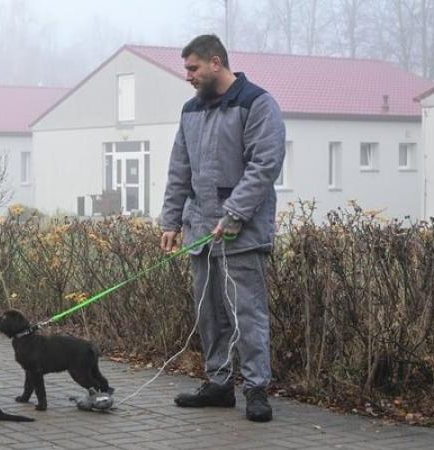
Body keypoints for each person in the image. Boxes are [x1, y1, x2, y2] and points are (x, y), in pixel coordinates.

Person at [159, 34, 285, 423]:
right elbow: (180, 168)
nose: (188, 76)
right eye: (186, 69)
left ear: (216, 63)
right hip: (200, 233)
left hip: (241, 236)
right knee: (209, 315)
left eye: (193, 68)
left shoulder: (257, 104)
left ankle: (256, 389)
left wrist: (233, 215)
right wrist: (171, 220)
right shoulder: (190, 111)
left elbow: (264, 165)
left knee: (247, 315)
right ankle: (218, 384)